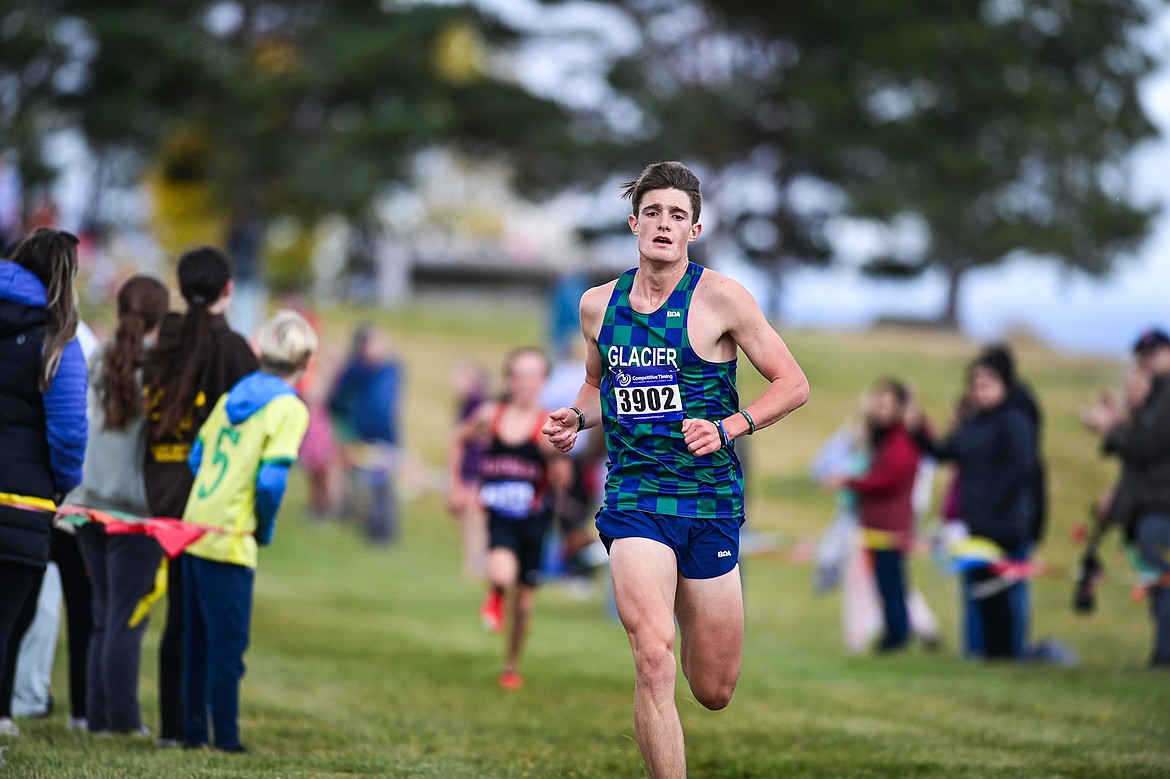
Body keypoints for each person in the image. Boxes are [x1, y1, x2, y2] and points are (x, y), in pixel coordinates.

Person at [542, 161, 809, 778]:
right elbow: (594, 385)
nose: (664, 224)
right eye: (653, 212)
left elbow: (792, 384)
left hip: (710, 502)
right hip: (635, 498)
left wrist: (728, 427)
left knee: (713, 687)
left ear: (693, 229)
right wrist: (577, 421)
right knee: (652, 658)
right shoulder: (596, 306)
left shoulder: (722, 298)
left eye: (677, 215)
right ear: (635, 222)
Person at [181, 310, 317, 752]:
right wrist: (264, 524)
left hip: (194, 525)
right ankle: (227, 740)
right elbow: (271, 479)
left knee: (195, 638)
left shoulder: (231, 396)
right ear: (305, 362)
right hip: (231, 536)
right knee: (229, 643)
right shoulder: (289, 407)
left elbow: (197, 459)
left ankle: (192, 733)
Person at [143, 246, 259, 746]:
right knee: (213, 624)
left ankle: (176, 726)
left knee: (180, 618)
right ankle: (209, 727)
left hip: (160, 492)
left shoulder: (163, 342)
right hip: (212, 504)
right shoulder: (233, 350)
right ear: (228, 290)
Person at [70, 275, 170, 736]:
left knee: (103, 614)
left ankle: (96, 715)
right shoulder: (158, 372)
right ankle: (124, 721)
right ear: (159, 317)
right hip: (133, 509)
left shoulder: (97, 358)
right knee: (127, 619)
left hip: (90, 501)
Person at [0, 228, 87, 737]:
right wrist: (63, 484)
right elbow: (70, 431)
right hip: (24, 501)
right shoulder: (58, 340)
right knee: (8, 620)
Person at [449, 348, 568, 689]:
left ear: (543, 381)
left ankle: (511, 665)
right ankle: (496, 591)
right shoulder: (492, 415)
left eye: (533, 376)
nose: (525, 383)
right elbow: (458, 439)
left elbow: (565, 479)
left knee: (526, 606)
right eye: (518, 375)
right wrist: (457, 487)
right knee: (502, 571)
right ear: (509, 379)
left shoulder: (549, 424)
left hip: (535, 519)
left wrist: (556, 458)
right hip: (499, 514)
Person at [912, 355, 1037, 660]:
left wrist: (995, 502)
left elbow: (1023, 467)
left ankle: (1005, 654)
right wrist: (916, 428)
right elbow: (944, 452)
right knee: (982, 591)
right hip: (977, 522)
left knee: (1000, 591)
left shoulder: (1013, 421)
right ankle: (988, 654)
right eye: (975, 385)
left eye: (987, 384)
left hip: (1004, 522)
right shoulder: (975, 423)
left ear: (1004, 385)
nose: (979, 391)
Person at [1082, 327, 1170, 666]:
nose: (1148, 361)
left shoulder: (1166, 395)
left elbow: (1145, 449)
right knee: (1157, 583)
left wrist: (1111, 430)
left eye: (1155, 353)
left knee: (1163, 582)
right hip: (1148, 511)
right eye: (1143, 355)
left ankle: (1165, 655)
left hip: (1160, 511)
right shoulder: (1157, 397)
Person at [824, 380, 921, 652]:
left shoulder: (900, 441)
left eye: (887, 405)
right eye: (878, 403)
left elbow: (885, 480)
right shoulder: (884, 438)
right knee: (885, 584)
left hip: (891, 527)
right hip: (877, 526)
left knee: (892, 584)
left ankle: (897, 638)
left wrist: (849, 481)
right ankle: (894, 635)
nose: (880, 410)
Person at [328, 324, 403, 545]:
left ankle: (383, 532)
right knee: (361, 482)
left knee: (382, 485)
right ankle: (361, 520)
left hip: (385, 436)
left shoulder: (390, 370)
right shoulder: (358, 370)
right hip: (361, 435)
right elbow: (337, 399)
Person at [446, 359, 491, 579]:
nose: (454, 382)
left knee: (475, 522)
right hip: (470, 473)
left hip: (477, 473)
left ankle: (477, 566)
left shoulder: (477, 406)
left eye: (459, 377)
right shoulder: (468, 405)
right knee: (470, 521)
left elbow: (469, 438)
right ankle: (473, 565)